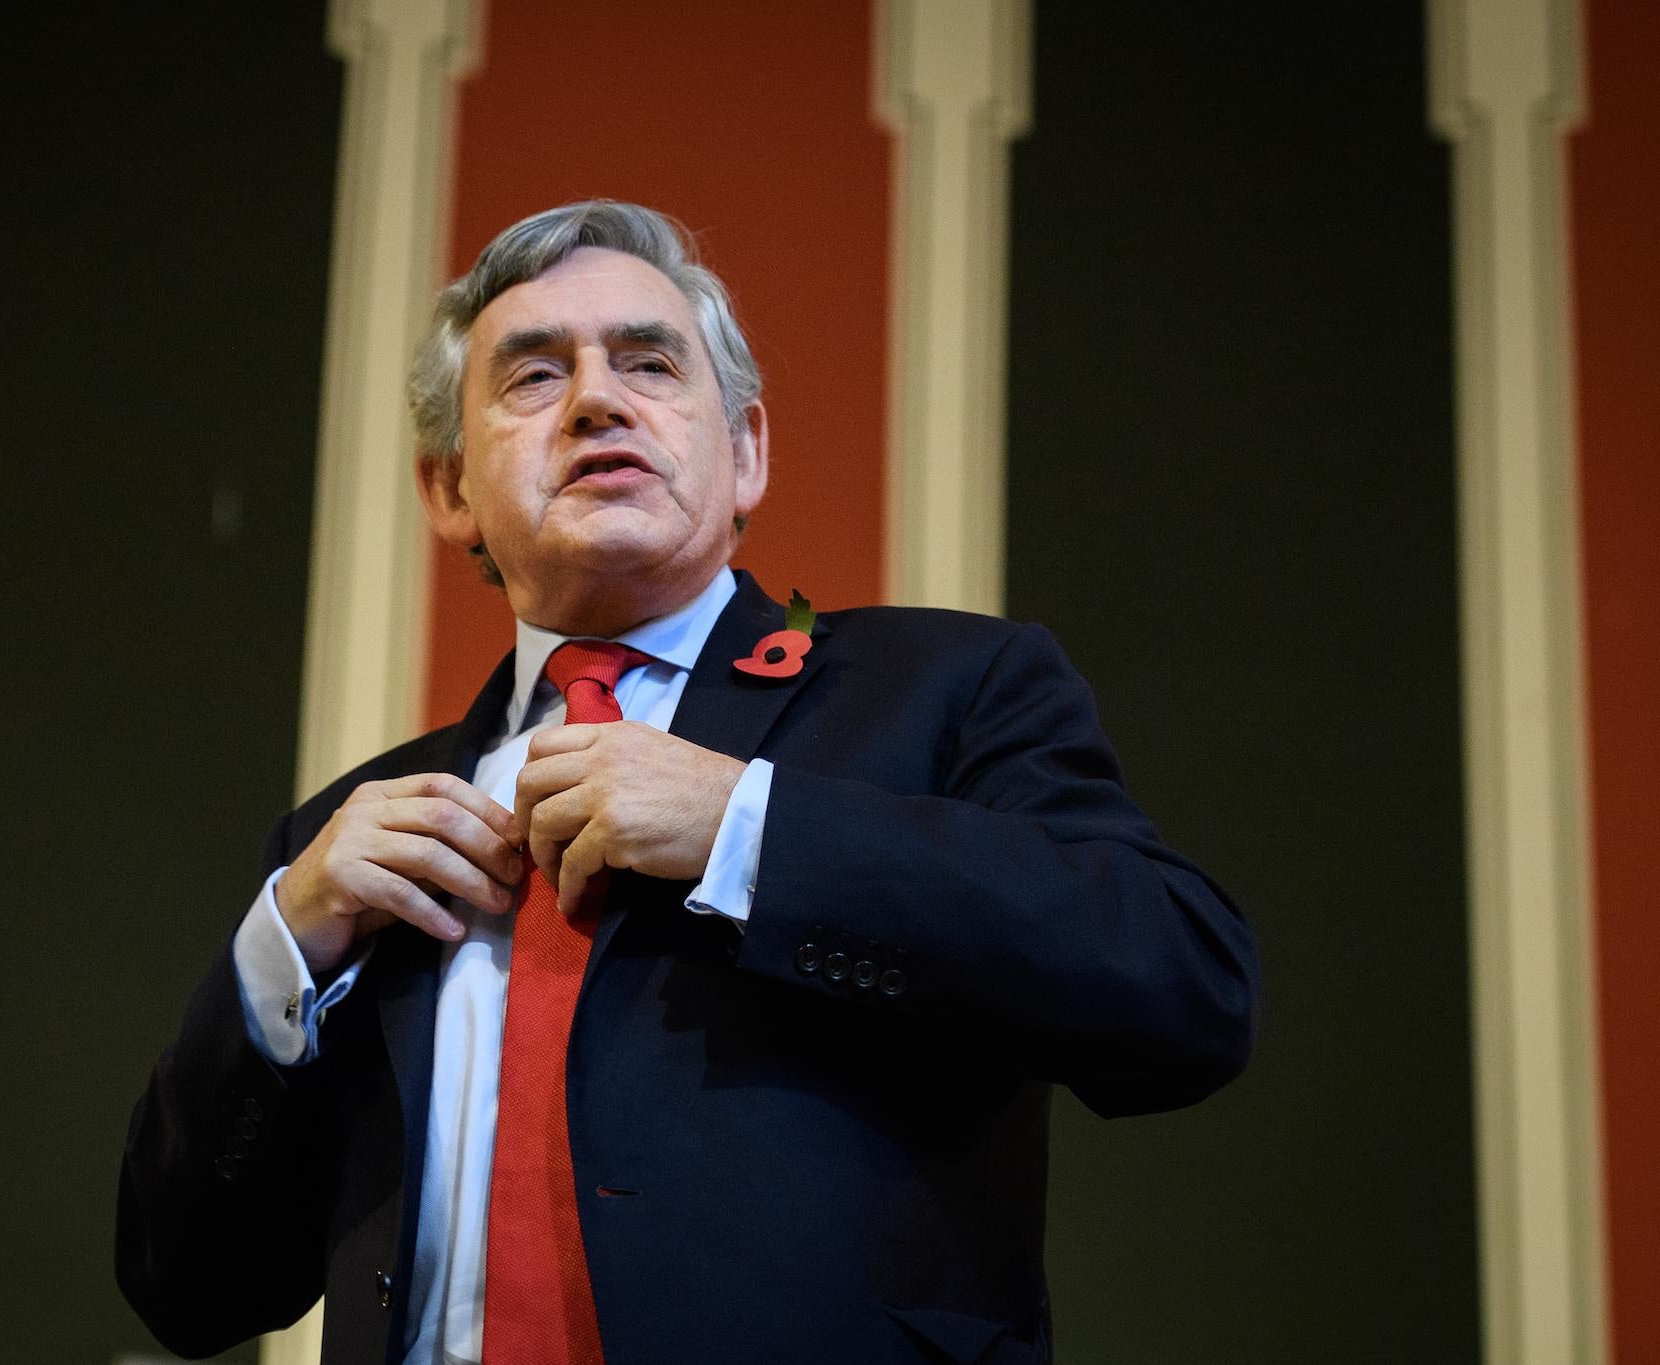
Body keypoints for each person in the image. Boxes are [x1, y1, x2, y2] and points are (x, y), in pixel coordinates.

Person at [116, 201, 1260, 1365]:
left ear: (745, 449)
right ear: (448, 490)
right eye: (531, 377)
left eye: (649, 363)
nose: (597, 400)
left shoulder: (949, 691)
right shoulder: (348, 840)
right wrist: (282, 950)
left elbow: (1182, 993)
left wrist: (745, 827)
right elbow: (185, 1288)